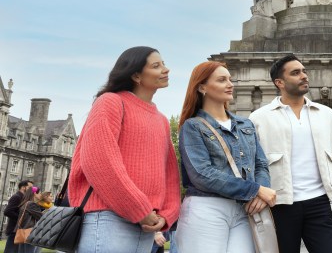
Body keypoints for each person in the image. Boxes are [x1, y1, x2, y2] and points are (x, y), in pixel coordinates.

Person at [68, 46, 181, 253]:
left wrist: (166, 215)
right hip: (108, 219)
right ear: (137, 75)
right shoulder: (110, 102)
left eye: (163, 64)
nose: (166, 69)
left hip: (147, 225)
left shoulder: (162, 120)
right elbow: (99, 162)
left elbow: (170, 177)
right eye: (156, 66)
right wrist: (140, 209)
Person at [249, 54, 332, 253]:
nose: (304, 76)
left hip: (321, 204)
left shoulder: (327, 114)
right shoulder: (258, 118)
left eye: (304, 71)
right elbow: (251, 163)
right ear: (280, 82)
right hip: (280, 205)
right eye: (295, 73)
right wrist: (258, 191)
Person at [175, 61, 275, 253]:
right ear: (202, 87)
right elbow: (202, 174)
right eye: (222, 80)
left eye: (230, 79)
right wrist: (255, 189)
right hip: (207, 207)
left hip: (244, 209)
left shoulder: (246, 124)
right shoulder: (193, 126)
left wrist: (261, 194)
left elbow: (261, 164)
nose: (230, 84)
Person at [2, 180, 33, 253]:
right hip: (14, 230)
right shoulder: (17, 197)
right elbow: (7, 211)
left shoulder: (23, 198)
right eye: (30, 187)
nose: (32, 190)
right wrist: (21, 219)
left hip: (19, 230)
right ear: (23, 187)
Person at [14, 187, 43, 253]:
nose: (41, 195)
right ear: (35, 193)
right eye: (40, 193)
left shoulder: (25, 203)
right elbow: (41, 217)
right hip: (30, 233)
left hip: (23, 232)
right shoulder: (32, 204)